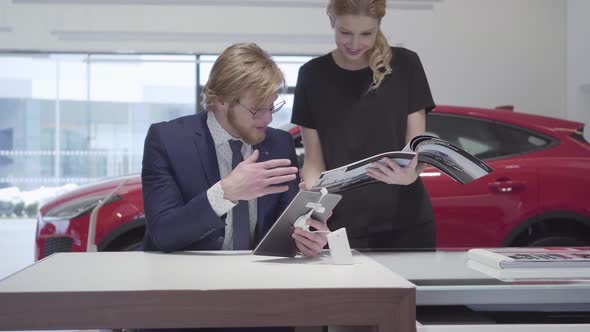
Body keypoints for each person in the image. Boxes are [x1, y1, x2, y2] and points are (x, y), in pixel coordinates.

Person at [141, 42, 329, 260]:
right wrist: (224, 193)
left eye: (272, 107)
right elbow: (163, 234)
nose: (268, 119)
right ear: (221, 100)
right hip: (185, 278)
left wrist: (306, 237)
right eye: (257, 110)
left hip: (258, 278)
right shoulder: (167, 140)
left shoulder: (280, 144)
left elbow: (285, 229)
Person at [292, 0, 436, 249]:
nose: (355, 44)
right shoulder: (311, 75)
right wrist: (313, 199)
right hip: (339, 224)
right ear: (332, 22)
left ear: (379, 26)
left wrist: (409, 176)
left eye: (366, 34)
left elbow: (415, 147)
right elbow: (314, 161)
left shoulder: (406, 65)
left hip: (406, 220)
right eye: (345, 33)